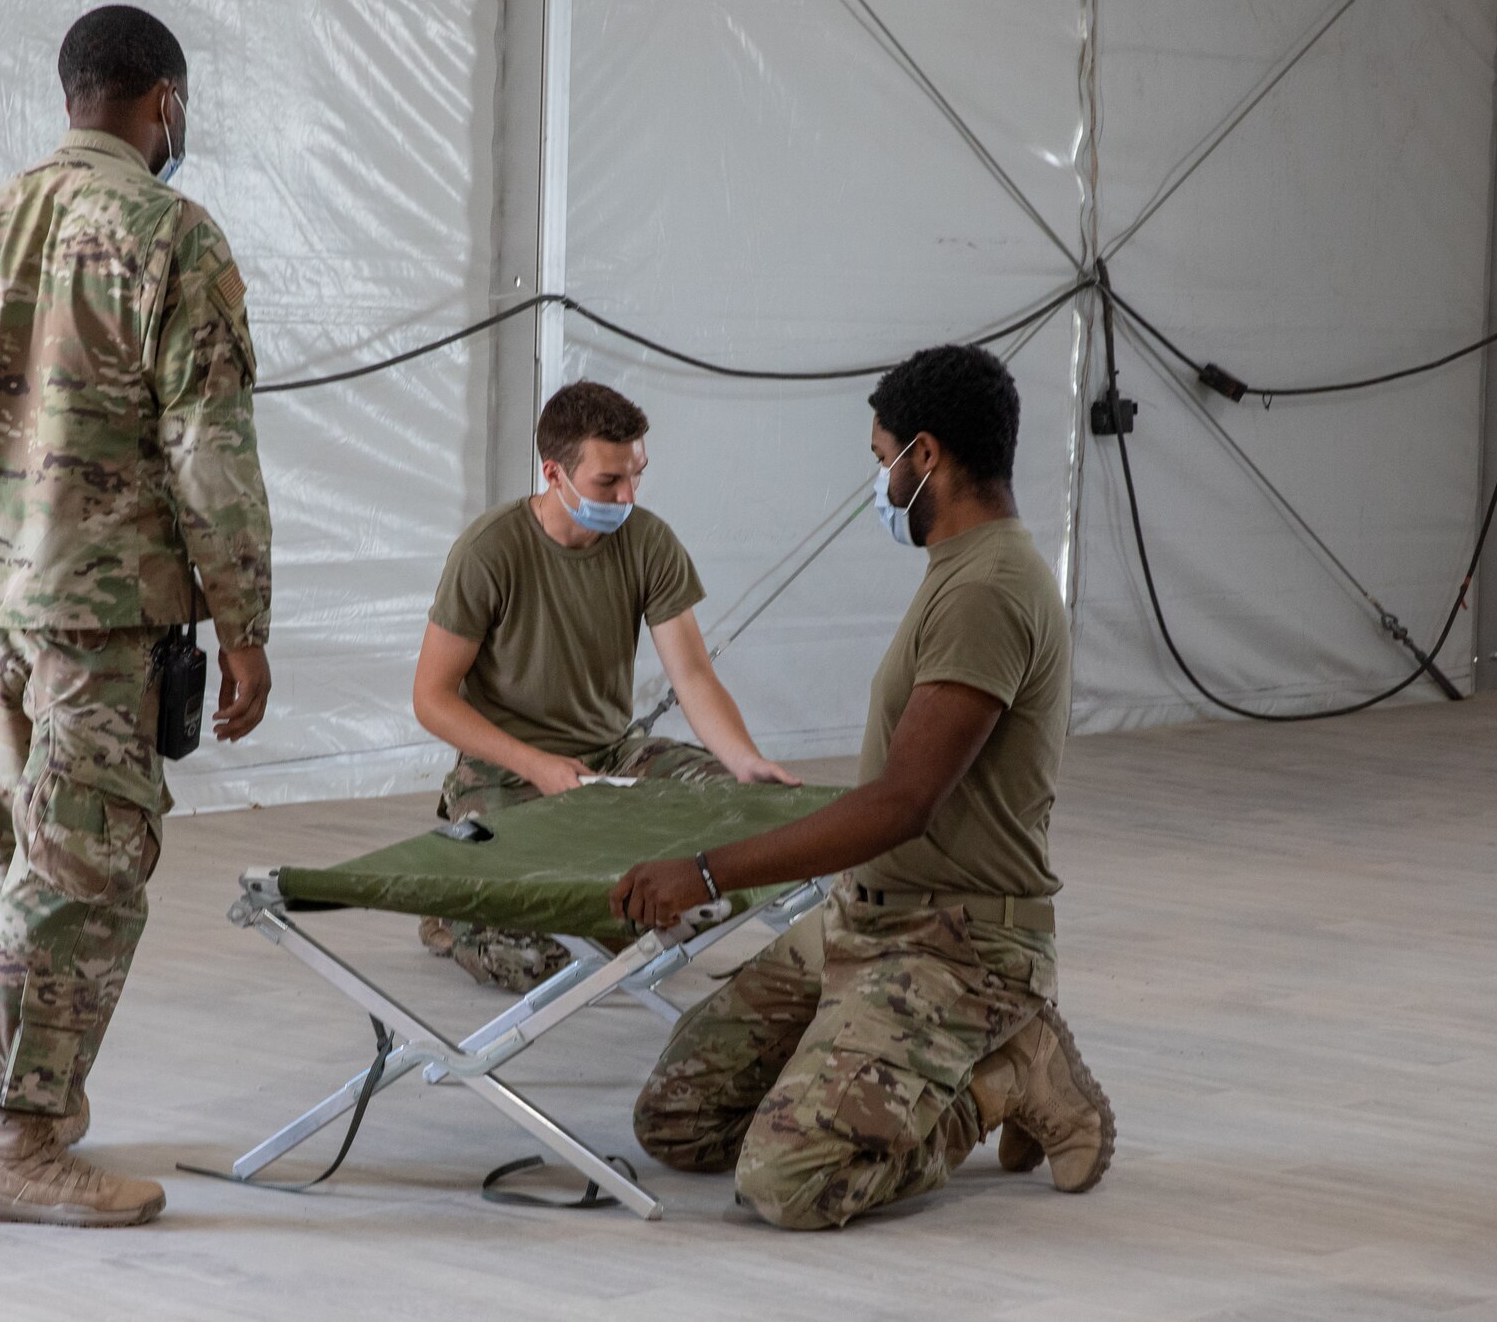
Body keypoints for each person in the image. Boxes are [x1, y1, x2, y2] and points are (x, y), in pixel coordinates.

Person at [0, 4, 272, 1228]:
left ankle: (37, 1107)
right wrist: (246, 623)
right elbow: (209, 453)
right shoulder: (172, 235)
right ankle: (15, 1139)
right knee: (81, 869)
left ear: (73, 95)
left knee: (16, 858)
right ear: (163, 100)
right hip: (100, 615)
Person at [610, 344, 1113, 1230]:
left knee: (789, 1180)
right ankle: (899, 1070)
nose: (880, 486)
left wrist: (710, 870)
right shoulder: (959, 571)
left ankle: (999, 1076)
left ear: (927, 457)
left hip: (954, 939)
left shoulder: (988, 588)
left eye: (883, 461)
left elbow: (900, 801)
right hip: (870, 914)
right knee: (680, 1118)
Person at [412, 380, 797, 992]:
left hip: (612, 757)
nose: (627, 496)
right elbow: (431, 698)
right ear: (554, 474)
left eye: (636, 476)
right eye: (608, 483)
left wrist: (744, 760)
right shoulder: (490, 551)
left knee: (754, 823)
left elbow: (693, 675)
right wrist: (536, 764)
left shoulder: (648, 541)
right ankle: (456, 903)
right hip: (506, 769)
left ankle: (615, 908)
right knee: (529, 959)